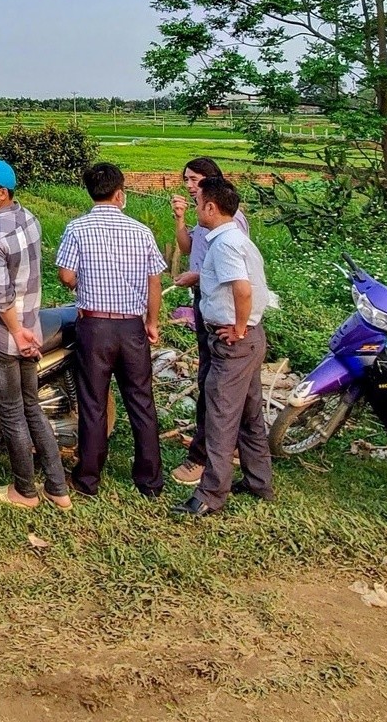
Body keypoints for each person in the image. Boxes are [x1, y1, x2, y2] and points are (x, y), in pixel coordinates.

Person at [0, 158, 73, 511]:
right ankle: (58, 488)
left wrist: (16, 334)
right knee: (32, 407)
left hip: (6, 335)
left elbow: (1, 296)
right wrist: (27, 333)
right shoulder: (29, 219)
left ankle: (25, 492)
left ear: (1, 193)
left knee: (11, 412)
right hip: (33, 326)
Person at [56, 163, 168, 499]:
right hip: (132, 327)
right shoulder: (141, 231)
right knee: (141, 401)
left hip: (94, 325)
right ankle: (149, 481)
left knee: (93, 402)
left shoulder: (77, 228)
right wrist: (152, 322)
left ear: (90, 192)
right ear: (120, 193)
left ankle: (88, 479)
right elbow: (155, 281)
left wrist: (80, 283)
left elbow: (65, 275)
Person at [172, 176, 274, 518]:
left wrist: (239, 327)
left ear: (211, 207)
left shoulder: (225, 243)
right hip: (250, 339)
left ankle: (211, 493)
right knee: (249, 415)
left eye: (198, 202)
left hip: (234, 342)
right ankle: (260, 481)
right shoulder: (235, 239)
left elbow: (242, 289)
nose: (196, 206)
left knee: (219, 416)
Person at [168, 157, 251, 486]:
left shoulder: (232, 222)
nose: (188, 185)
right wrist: (179, 220)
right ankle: (240, 452)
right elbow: (189, 247)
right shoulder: (205, 217)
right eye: (186, 179)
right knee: (224, 384)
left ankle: (203, 459)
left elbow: (237, 278)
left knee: (214, 385)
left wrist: (197, 278)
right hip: (206, 302)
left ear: (212, 181)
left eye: (195, 179)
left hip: (223, 309)